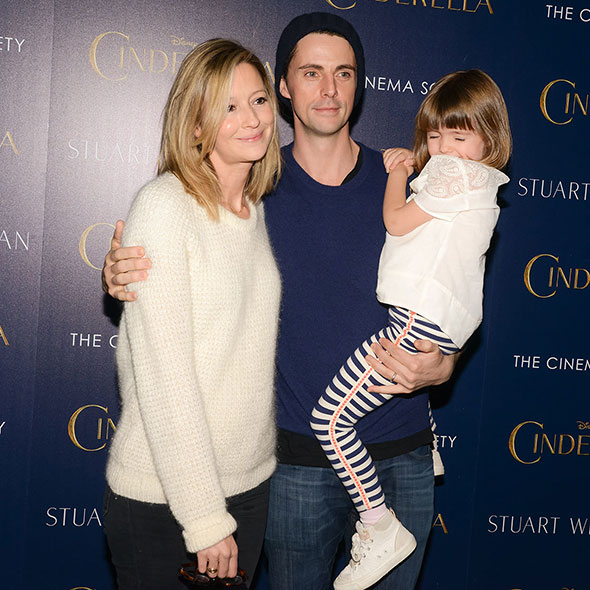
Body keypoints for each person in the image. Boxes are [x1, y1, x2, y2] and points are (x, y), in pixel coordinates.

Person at [102, 13, 459, 590]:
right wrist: (124, 273)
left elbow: (454, 284)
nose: (328, 89)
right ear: (288, 86)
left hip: (400, 451)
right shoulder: (257, 189)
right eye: (310, 73)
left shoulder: (404, 187)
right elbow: (176, 279)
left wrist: (446, 362)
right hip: (295, 464)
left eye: (343, 73)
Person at [310, 69, 512, 590]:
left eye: (459, 135)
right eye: (435, 135)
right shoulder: (479, 182)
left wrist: (398, 171)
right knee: (394, 374)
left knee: (330, 422)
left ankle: (380, 528)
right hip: (434, 323)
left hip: (419, 319)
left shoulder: (453, 175)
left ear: (490, 138)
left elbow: (397, 222)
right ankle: (430, 446)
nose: (443, 147)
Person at [102, 38, 282, 590]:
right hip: (168, 500)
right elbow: (165, 378)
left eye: (258, 100)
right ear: (196, 124)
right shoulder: (165, 206)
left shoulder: (252, 211)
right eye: (228, 106)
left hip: (248, 488)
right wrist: (204, 520)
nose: (251, 118)